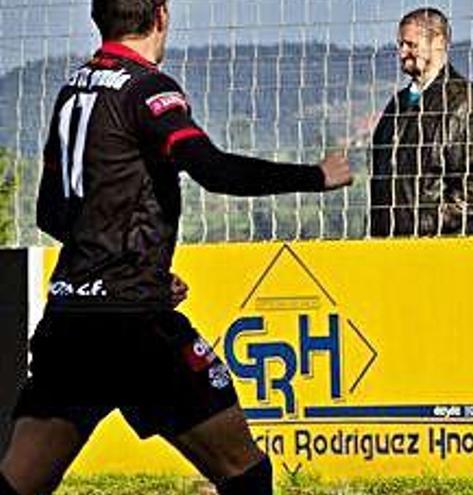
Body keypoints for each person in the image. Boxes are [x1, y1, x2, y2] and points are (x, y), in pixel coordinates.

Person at [0, 0, 351, 494]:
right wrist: (317, 176)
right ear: (161, 14)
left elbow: (51, 215)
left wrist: (131, 267)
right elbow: (212, 169)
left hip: (71, 321)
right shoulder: (148, 88)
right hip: (136, 326)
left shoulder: (71, 91)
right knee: (246, 474)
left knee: (19, 484)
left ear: (99, 17)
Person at [370, 7, 473, 237]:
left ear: (438, 42)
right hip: (387, 246)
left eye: (411, 45)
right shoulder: (396, 105)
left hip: (440, 249)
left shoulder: (465, 104)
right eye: (400, 45)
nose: (402, 52)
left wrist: (429, 225)